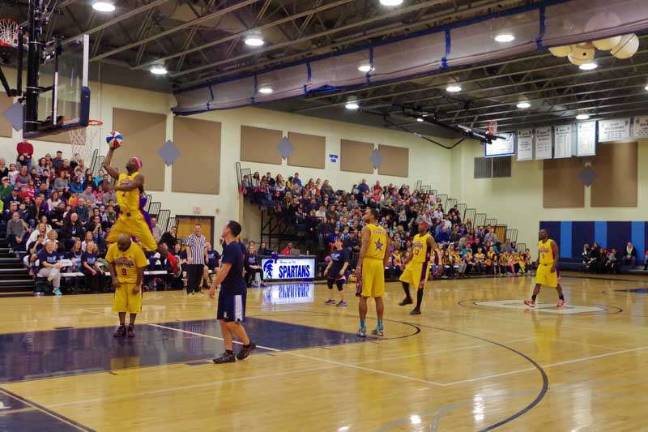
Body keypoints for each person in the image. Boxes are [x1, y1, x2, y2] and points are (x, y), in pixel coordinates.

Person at [209, 220, 256, 364]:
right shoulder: (228, 247)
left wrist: (213, 285)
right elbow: (224, 269)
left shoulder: (233, 247)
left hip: (235, 290)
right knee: (223, 321)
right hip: (227, 289)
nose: (222, 228)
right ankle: (228, 352)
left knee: (232, 322)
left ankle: (248, 344)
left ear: (228, 230)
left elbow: (224, 270)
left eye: (224, 226)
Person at [102, 144, 157, 252]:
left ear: (137, 166)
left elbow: (131, 186)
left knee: (153, 247)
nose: (129, 161)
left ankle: (172, 260)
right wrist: (111, 149)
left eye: (132, 160)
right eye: (129, 159)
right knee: (108, 241)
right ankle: (123, 259)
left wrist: (114, 187)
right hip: (122, 218)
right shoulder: (121, 176)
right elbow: (105, 165)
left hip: (134, 217)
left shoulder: (139, 176)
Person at [355, 208, 390, 337]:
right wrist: (383, 264)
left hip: (368, 263)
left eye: (367, 213)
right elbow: (388, 251)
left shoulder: (367, 228)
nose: (365, 214)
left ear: (373, 216)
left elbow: (364, 246)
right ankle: (380, 328)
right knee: (378, 296)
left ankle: (362, 328)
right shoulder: (383, 231)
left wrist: (359, 265)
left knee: (363, 296)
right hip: (379, 264)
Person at [106, 234, 148, 338]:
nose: (119, 247)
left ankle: (131, 326)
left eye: (122, 245)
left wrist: (138, 285)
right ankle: (122, 326)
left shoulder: (137, 249)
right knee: (120, 305)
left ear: (129, 243)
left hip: (133, 281)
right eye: (118, 244)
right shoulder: (113, 247)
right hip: (120, 281)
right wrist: (114, 278)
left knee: (133, 306)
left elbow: (141, 268)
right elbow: (109, 262)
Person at [398, 220, 436, 315]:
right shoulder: (415, 237)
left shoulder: (429, 238)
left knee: (420, 287)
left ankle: (418, 308)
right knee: (403, 279)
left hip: (422, 265)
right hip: (413, 263)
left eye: (421, 225)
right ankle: (408, 298)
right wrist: (405, 262)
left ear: (425, 227)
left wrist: (439, 263)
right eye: (419, 225)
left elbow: (436, 249)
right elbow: (412, 252)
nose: (419, 226)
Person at [524, 229, 566, 308]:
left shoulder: (551, 242)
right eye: (539, 233)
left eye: (541, 233)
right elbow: (540, 254)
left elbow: (557, 255)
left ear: (546, 234)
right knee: (538, 283)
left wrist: (554, 265)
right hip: (541, 266)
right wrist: (537, 261)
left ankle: (562, 299)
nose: (540, 234)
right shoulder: (539, 243)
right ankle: (532, 300)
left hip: (550, 266)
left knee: (555, 284)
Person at [323, 237, 350, 307]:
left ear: (341, 243)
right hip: (333, 270)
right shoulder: (334, 251)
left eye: (338, 241)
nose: (336, 243)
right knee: (329, 283)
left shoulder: (344, 251)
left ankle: (343, 301)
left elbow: (346, 262)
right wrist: (327, 268)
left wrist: (343, 270)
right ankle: (331, 299)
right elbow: (332, 261)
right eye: (336, 241)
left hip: (339, 271)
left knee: (339, 285)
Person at [185, 224, 207, 295]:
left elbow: (204, 248)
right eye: (196, 228)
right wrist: (189, 256)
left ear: (200, 229)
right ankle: (190, 291)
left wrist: (206, 256)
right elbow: (187, 247)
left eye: (198, 228)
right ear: (194, 229)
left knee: (199, 276)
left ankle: (196, 289)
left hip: (201, 260)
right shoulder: (190, 237)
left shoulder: (203, 237)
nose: (197, 230)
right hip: (193, 260)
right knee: (192, 276)